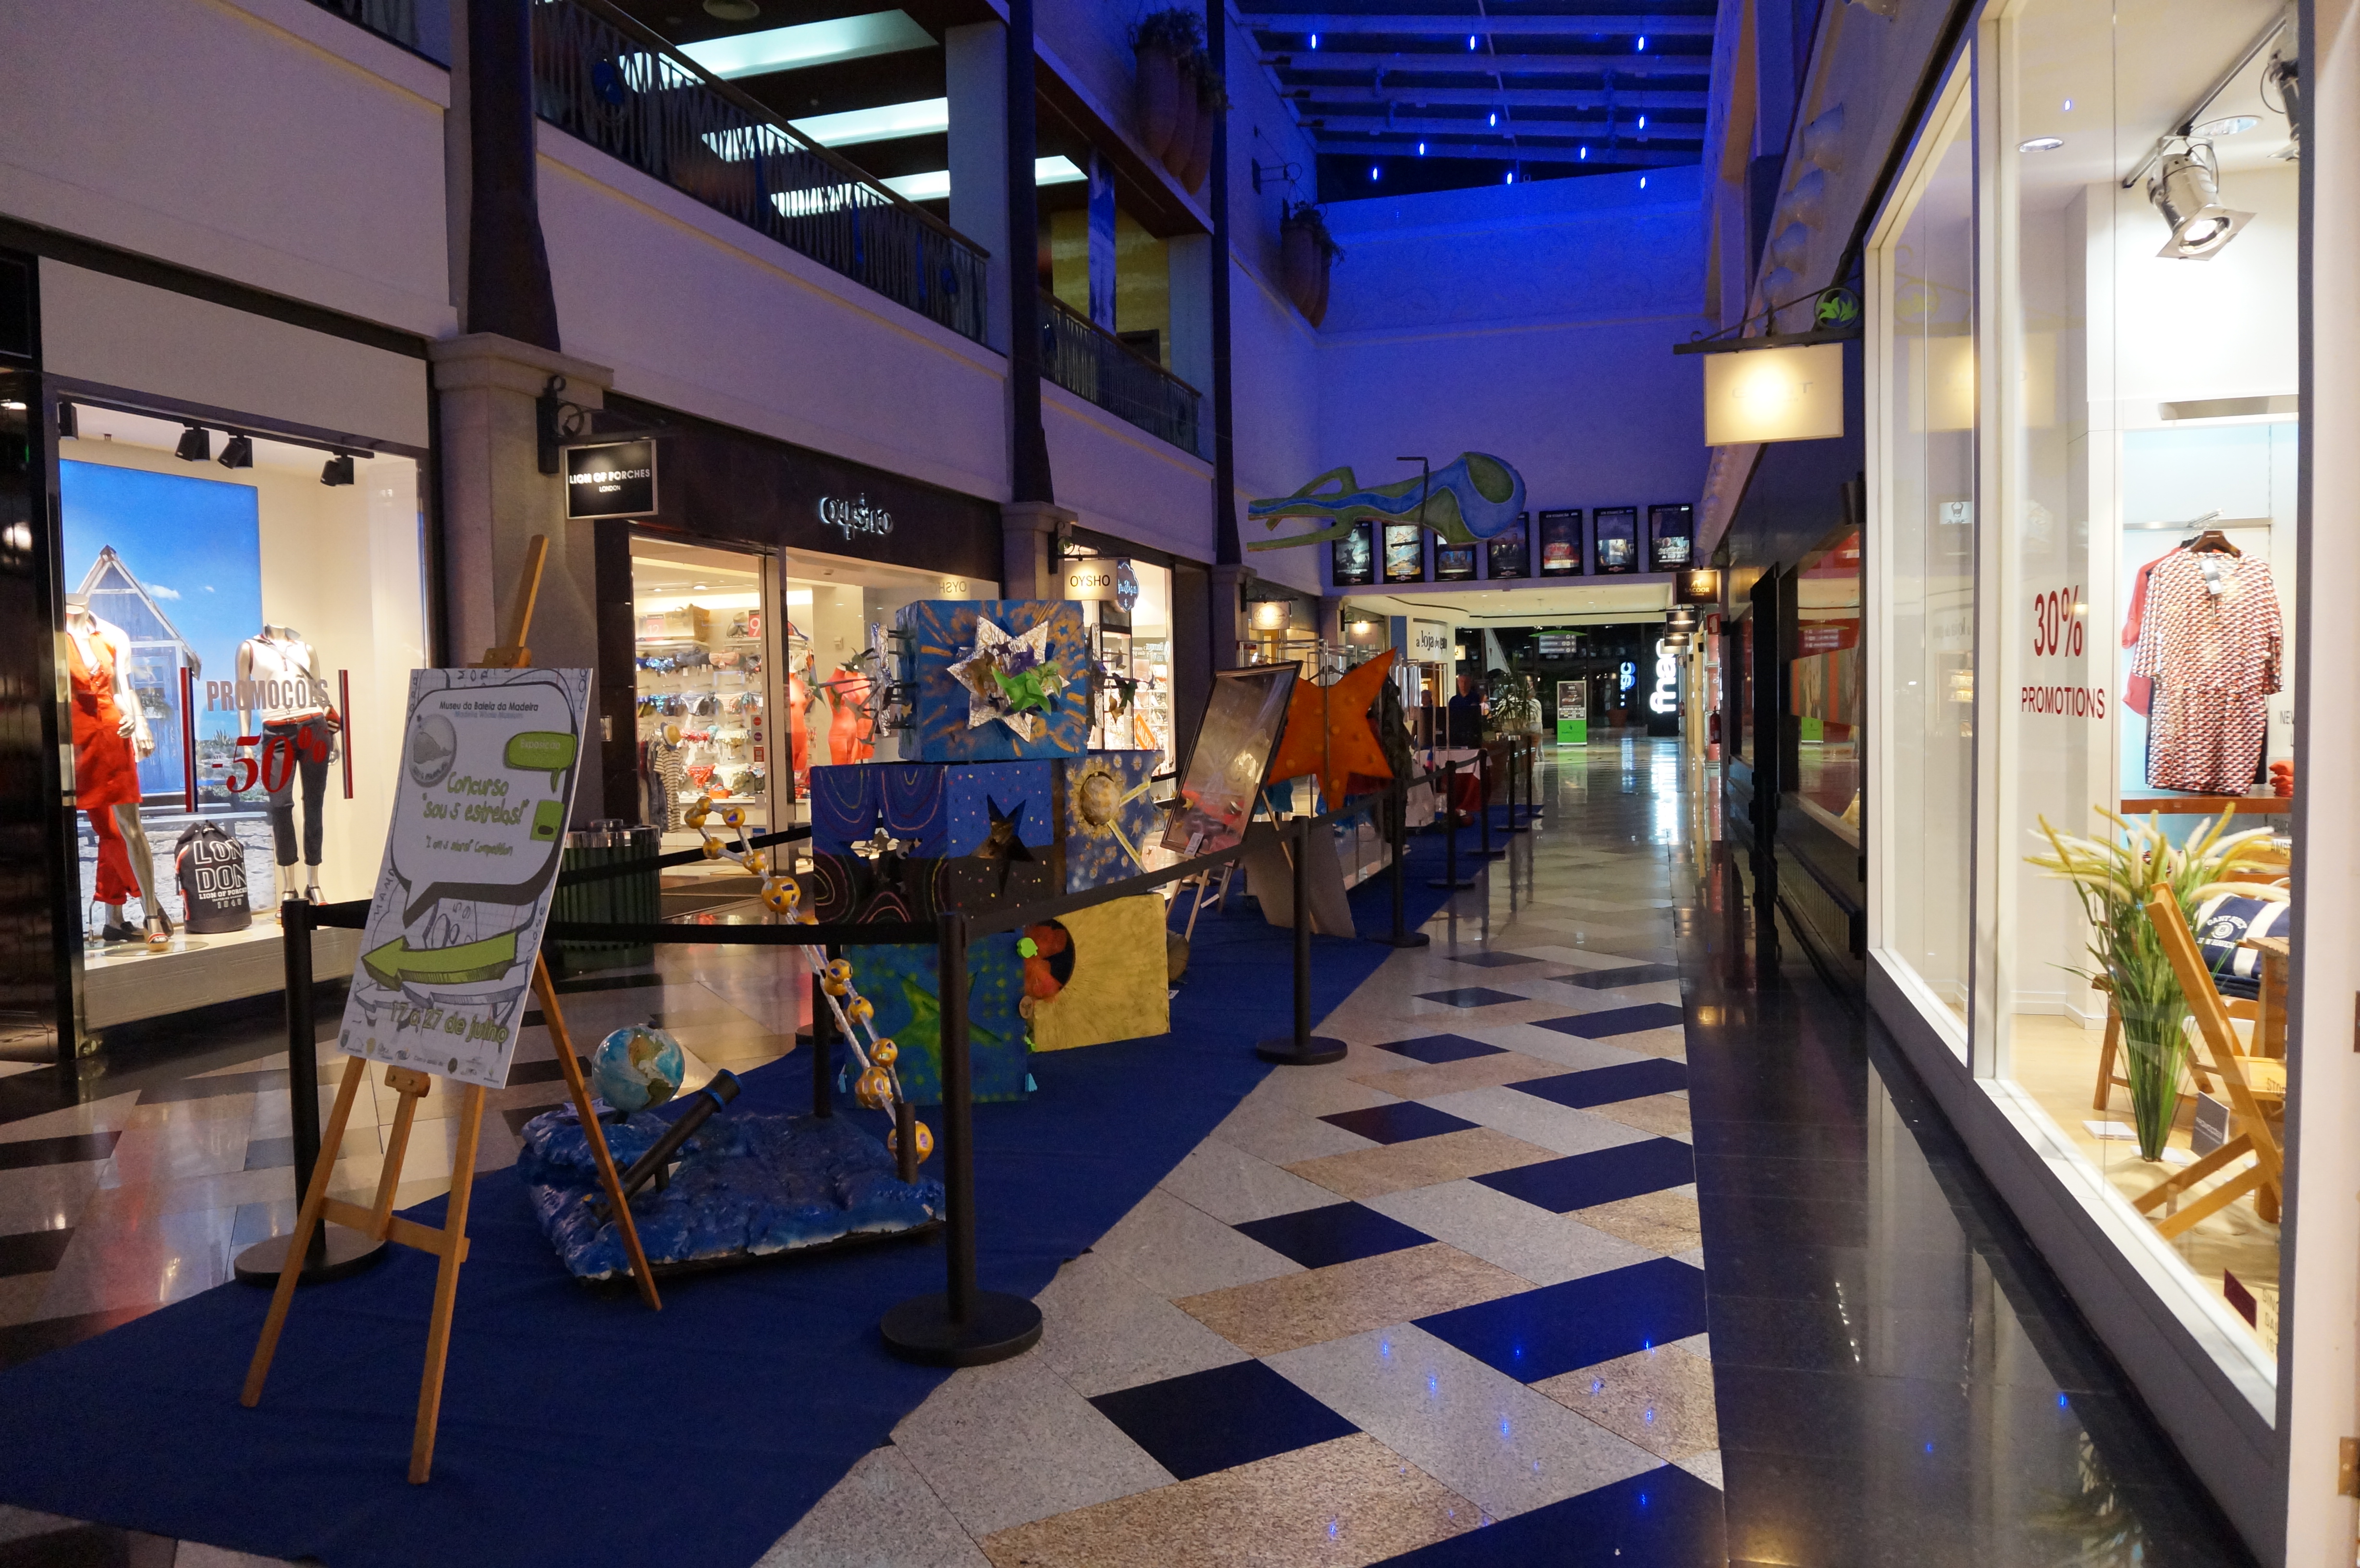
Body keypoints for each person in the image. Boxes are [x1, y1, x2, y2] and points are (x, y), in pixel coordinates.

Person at [1445, 675, 1485, 747]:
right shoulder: (1454, 700)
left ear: (1470, 683)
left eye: (1466, 682)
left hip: (1473, 733)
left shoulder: (1476, 698)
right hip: (1457, 734)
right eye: (1461, 682)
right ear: (1458, 684)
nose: (1464, 685)